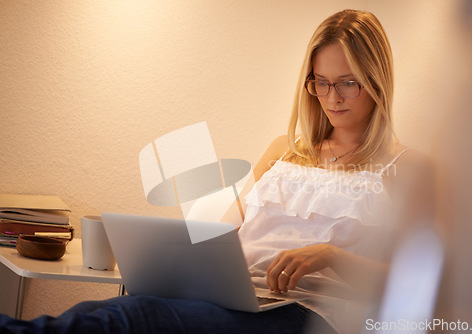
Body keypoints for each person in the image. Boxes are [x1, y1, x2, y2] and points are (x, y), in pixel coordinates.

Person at [0, 9, 429, 334]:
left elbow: (425, 286)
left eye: (347, 82)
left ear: (376, 80)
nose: (331, 97)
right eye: (320, 81)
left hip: (308, 314)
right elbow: (222, 237)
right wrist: (177, 258)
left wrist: (332, 256)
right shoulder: (284, 152)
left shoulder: (406, 168)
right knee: (95, 312)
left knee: (135, 318)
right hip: (240, 297)